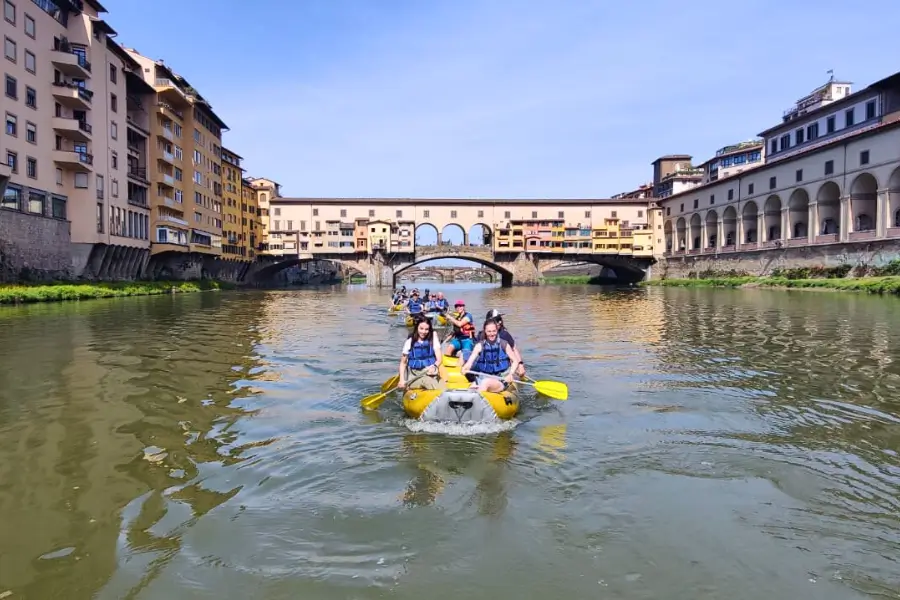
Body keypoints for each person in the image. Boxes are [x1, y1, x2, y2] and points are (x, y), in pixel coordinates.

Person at [461, 318, 520, 393]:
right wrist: (465, 368)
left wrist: (511, 374)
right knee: (472, 388)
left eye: (494, 331)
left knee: (486, 382)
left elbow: (515, 361)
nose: (492, 334)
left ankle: (480, 395)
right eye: (489, 331)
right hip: (483, 377)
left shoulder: (504, 344)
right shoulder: (479, 346)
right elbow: (469, 363)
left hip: (501, 379)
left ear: (497, 330)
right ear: (485, 331)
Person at [399, 317, 446, 390]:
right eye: (421, 328)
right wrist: (401, 380)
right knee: (428, 381)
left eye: (426, 329)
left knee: (441, 385)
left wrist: (434, 366)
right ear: (417, 328)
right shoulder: (410, 341)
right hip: (415, 374)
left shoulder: (433, 339)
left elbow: (439, 359)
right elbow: (403, 363)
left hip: (430, 372)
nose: (423, 332)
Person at [479, 309, 526, 378]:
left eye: (500, 319)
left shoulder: (504, 335)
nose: (500, 322)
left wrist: (520, 365)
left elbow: (514, 349)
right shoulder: (481, 336)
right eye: (497, 320)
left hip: (503, 371)